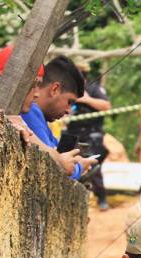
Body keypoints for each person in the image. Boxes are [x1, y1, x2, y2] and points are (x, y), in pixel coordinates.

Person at [21, 56, 96, 180]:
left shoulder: (40, 118)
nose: (68, 110)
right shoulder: (29, 112)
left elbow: (56, 151)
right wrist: (78, 168)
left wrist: (74, 160)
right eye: (69, 102)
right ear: (55, 89)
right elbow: (52, 165)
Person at [59, 62, 113, 210]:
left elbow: (107, 106)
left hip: (91, 132)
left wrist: (85, 99)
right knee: (63, 160)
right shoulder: (67, 88)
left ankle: (101, 198)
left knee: (92, 165)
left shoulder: (94, 89)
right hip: (72, 131)